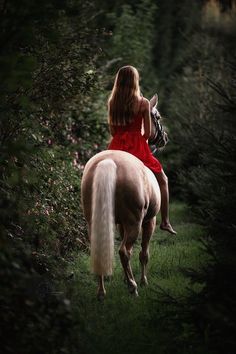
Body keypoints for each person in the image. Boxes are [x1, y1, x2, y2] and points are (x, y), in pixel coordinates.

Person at [107, 65, 176, 235]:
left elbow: (113, 131)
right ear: (135, 81)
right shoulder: (143, 103)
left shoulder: (112, 103)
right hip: (137, 146)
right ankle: (165, 221)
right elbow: (150, 133)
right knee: (162, 179)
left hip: (116, 146)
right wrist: (138, 136)